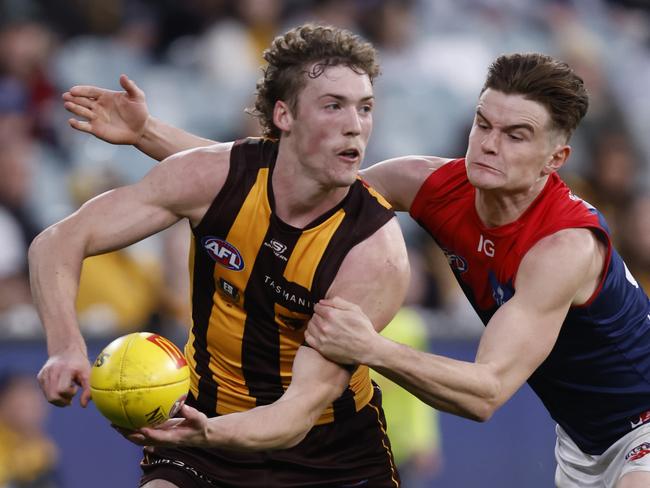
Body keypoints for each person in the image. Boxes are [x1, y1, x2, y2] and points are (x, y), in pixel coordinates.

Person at [63, 51, 650, 488]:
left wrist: (373, 348)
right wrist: (147, 133)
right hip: (582, 441)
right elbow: (282, 175)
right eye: (483, 124)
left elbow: (487, 392)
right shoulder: (430, 183)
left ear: (557, 159)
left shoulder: (562, 249)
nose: (488, 144)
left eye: (516, 135)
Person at [31, 23, 410, 487]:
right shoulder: (215, 178)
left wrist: (207, 433)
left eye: (365, 107)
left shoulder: (373, 251)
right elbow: (58, 241)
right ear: (284, 115)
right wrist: (65, 345)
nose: (356, 124)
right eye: (334, 105)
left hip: (329, 453)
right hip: (204, 424)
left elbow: (295, 415)